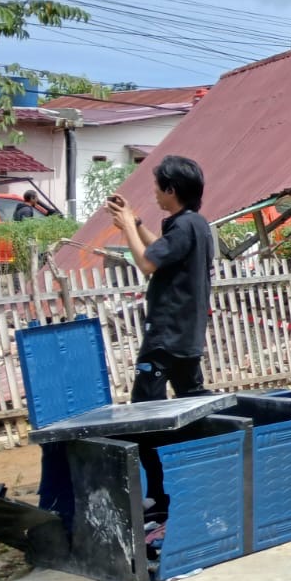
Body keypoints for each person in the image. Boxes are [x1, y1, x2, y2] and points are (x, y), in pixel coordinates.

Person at [105, 156, 215, 547]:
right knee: (192, 412)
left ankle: (157, 496)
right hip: (188, 340)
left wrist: (126, 227)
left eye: (157, 187)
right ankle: (197, 484)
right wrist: (135, 223)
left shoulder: (184, 226)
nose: (154, 193)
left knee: (144, 416)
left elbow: (147, 263)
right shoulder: (196, 225)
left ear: (171, 190)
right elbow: (163, 249)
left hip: (164, 340)